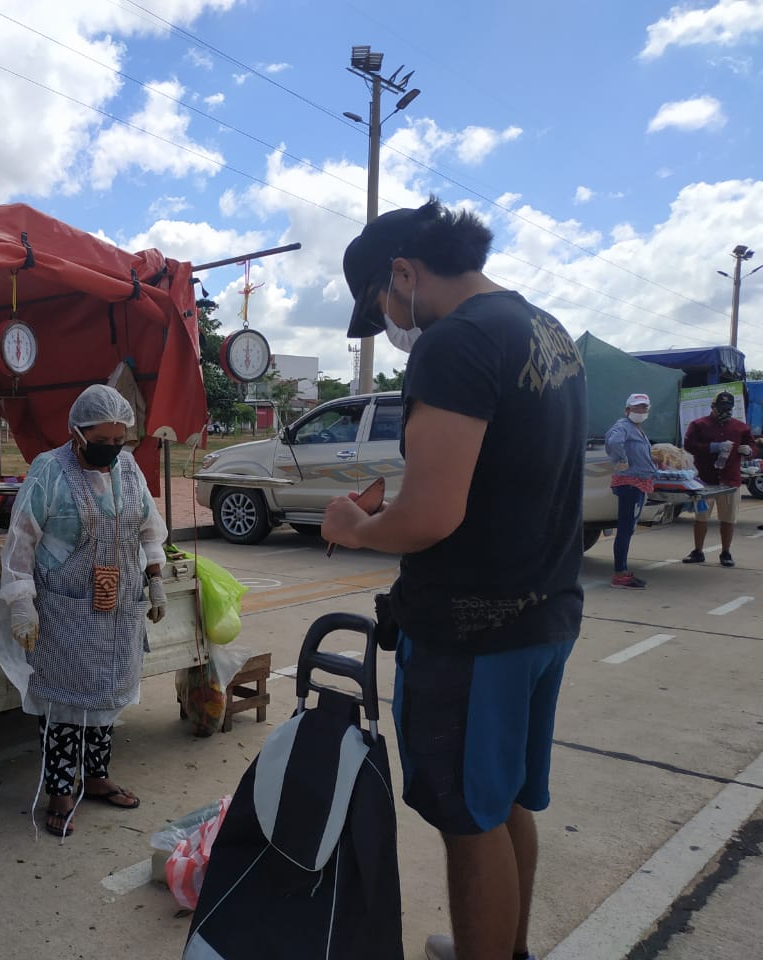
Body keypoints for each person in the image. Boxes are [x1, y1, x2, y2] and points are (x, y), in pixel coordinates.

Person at [322, 198, 584, 960]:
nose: (391, 327)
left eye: (381, 306)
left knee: (468, 820)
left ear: (404, 274)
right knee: (503, 802)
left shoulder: (455, 343)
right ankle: (504, 949)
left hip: (474, 634)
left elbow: (431, 515)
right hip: (544, 614)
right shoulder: (543, 328)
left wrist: (353, 527)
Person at [0, 384, 167, 838]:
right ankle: (61, 791)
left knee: (106, 696)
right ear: (77, 433)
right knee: (64, 704)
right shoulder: (49, 471)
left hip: (118, 609)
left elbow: (148, 528)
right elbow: (21, 542)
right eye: (103, 440)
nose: (112, 448)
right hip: (64, 610)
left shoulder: (129, 469)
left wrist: (156, 579)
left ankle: (97, 776)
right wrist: (22, 603)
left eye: (120, 439)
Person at [681, 391, 758, 568]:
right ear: (713, 407)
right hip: (705, 479)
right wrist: (713, 447)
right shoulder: (699, 425)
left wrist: (748, 451)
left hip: (729, 479)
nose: (725, 412)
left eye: (728, 409)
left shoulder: (740, 427)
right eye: (721, 408)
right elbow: (689, 446)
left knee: (728, 519)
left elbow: (753, 446)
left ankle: (725, 552)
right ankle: (698, 551)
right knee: (701, 517)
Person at [605, 393, 657, 589]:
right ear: (627, 410)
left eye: (644, 407)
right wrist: (622, 460)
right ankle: (619, 574)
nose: (641, 411)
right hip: (630, 483)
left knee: (628, 529)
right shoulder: (623, 426)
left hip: (637, 483)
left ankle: (622, 570)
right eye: (637, 407)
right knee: (625, 530)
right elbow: (613, 442)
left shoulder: (636, 428)